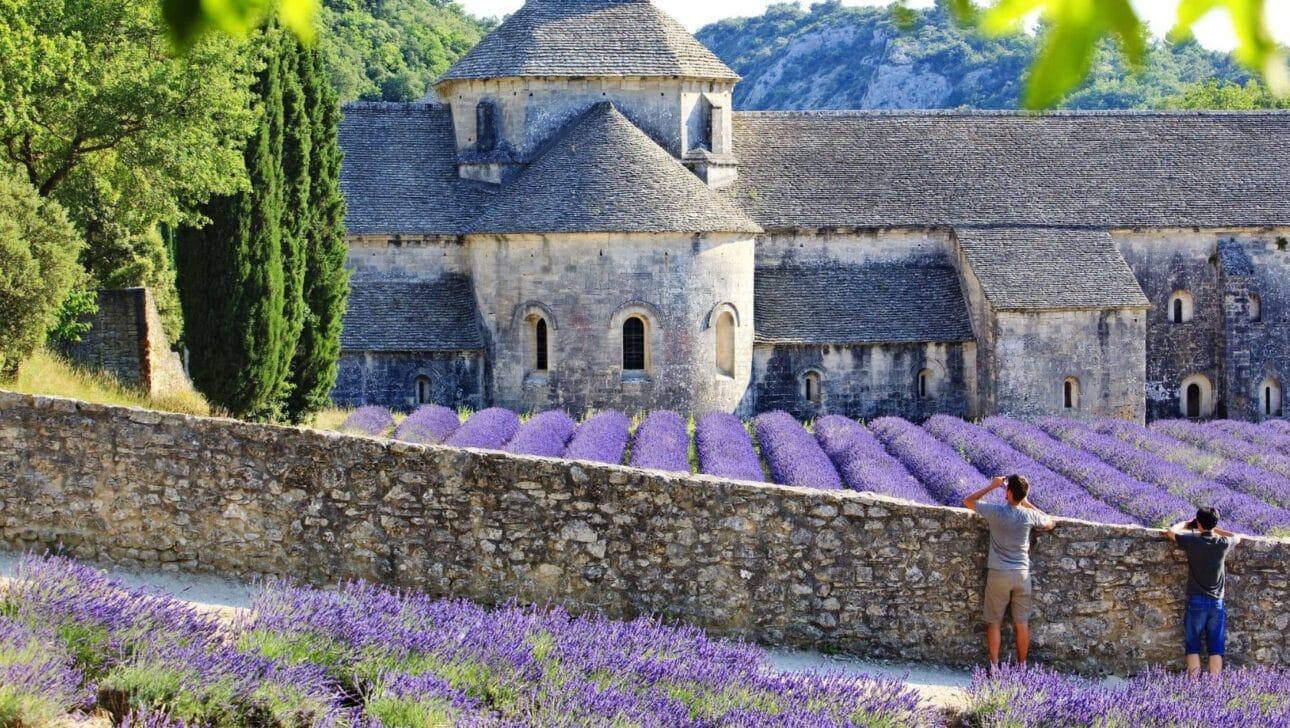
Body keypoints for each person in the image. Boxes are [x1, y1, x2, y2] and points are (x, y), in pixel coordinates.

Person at [963, 474, 1056, 672]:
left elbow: (968, 501)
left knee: (994, 622)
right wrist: (1027, 503)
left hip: (999, 573)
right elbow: (1050, 522)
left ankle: (994, 668)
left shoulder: (996, 511)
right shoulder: (1028, 515)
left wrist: (991, 486)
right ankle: (1022, 668)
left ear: (1009, 492)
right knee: (1022, 623)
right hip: (1022, 573)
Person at [1163, 506, 1239, 677]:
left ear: (1198, 523)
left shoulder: (1193, 542)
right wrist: (1214, 528)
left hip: (1196, 600)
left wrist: (1187, 524)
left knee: (1193, 646)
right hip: (1217, 603)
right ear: (1214, 523)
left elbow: (1170, 531)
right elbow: (1236, 537)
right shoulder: (1222, 543)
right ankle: (1214, 690)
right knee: (1216, 649)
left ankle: (1195, 689)